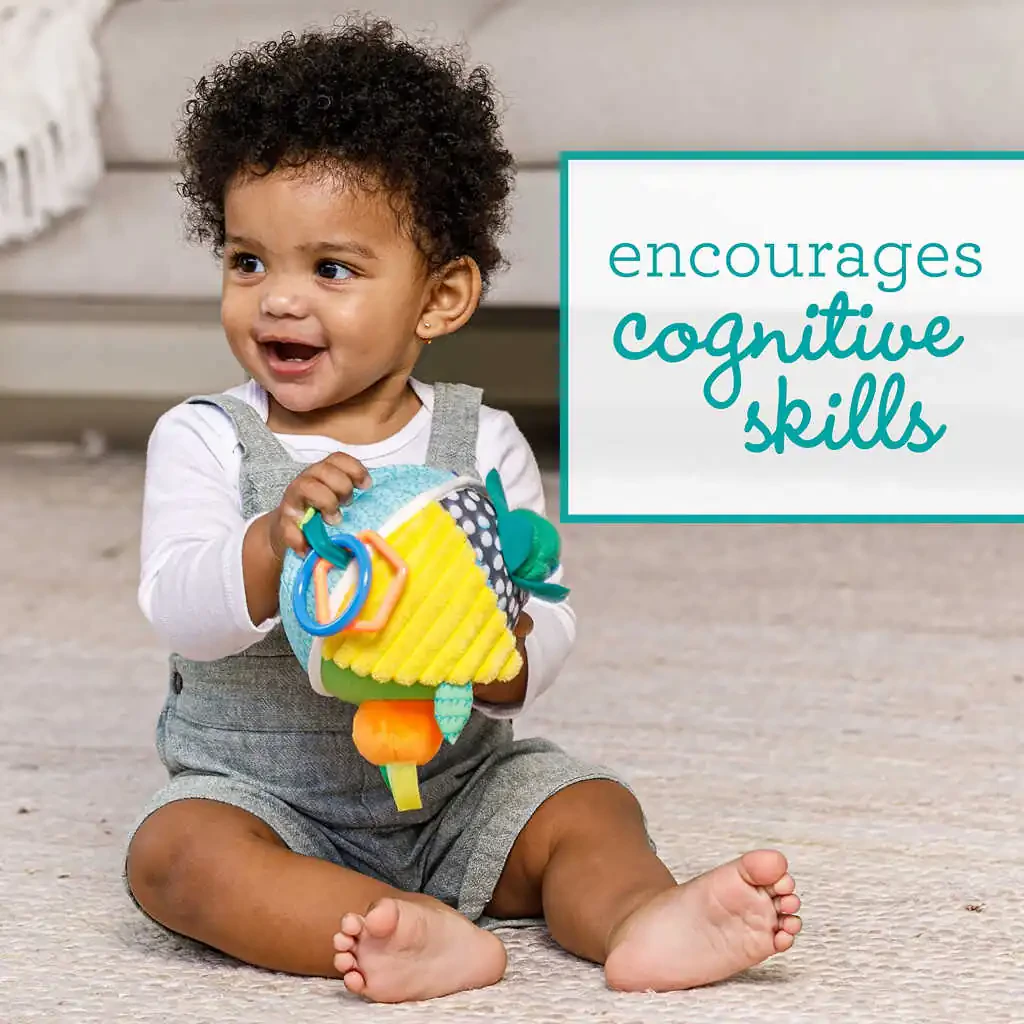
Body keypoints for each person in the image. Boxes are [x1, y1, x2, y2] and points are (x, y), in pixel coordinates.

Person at [125, 18, 801, 1004]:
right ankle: (392, 928)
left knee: (587, 807)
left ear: (440, 298)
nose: (277, 301)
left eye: (332, 269)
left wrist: (501, 648)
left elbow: (545, 610)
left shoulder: (480, 443)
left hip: (457, 791)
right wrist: (270, 542)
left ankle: (641, 917)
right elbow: (178, 607)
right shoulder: (207, 437)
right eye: (248, 262)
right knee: (175, 858)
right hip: (265, 801)